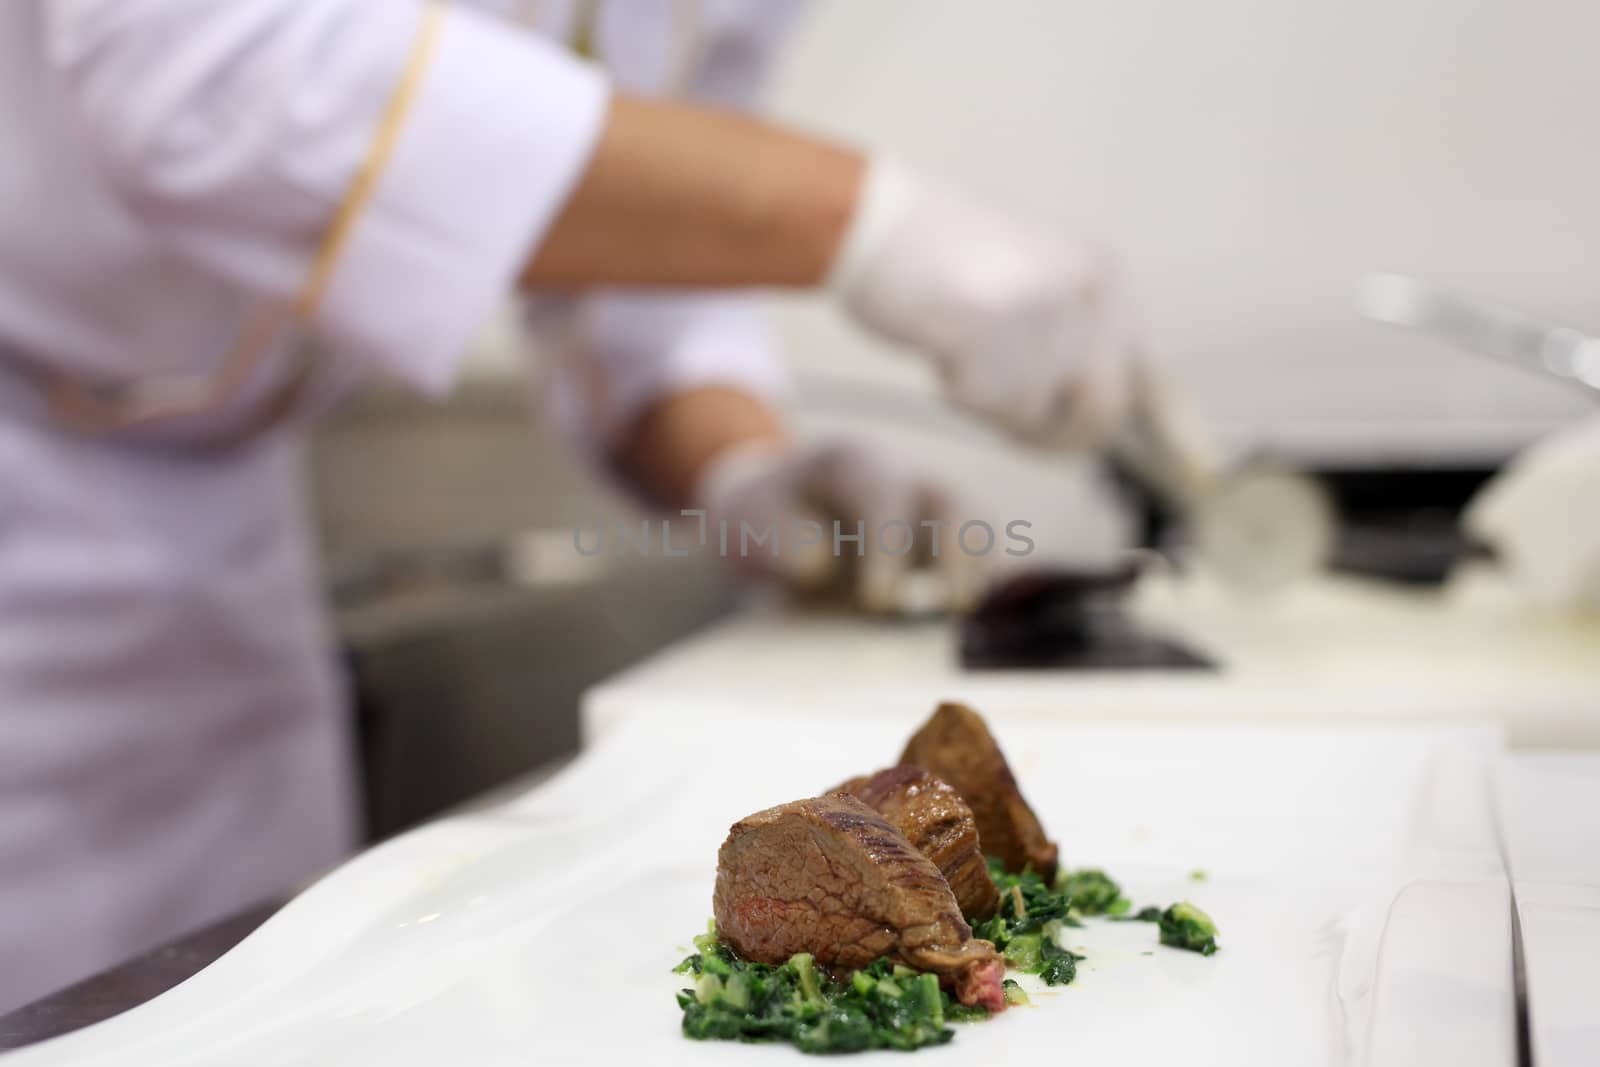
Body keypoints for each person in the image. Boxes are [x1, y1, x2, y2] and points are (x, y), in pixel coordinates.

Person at [0, 0, 1143, 1011]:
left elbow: (632, 244)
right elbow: (205, 66)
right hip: (24, 461)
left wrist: (741, 459)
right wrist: (870, 222)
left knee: (239, 997)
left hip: (232, 521)